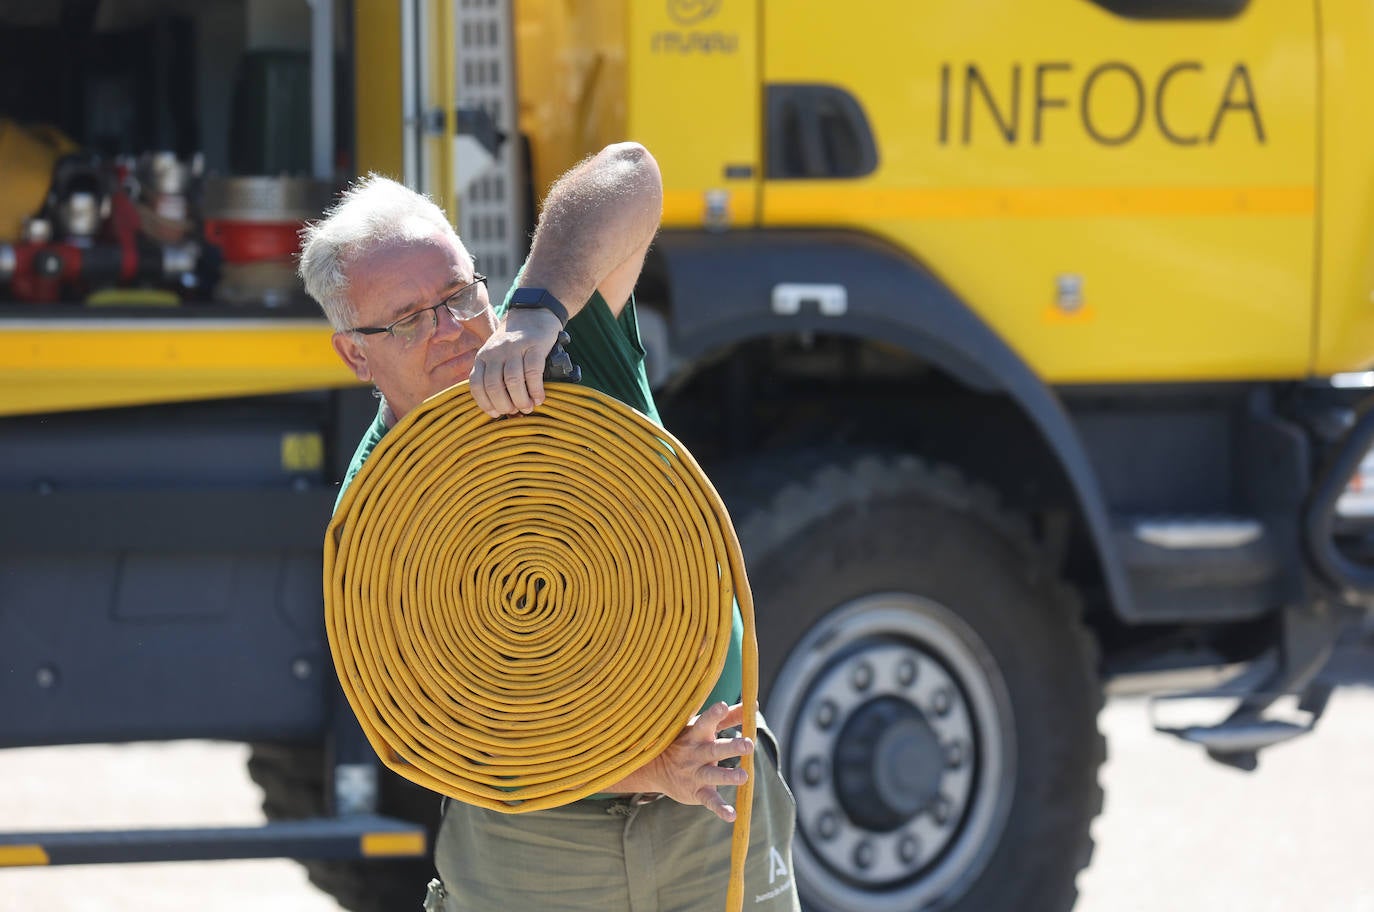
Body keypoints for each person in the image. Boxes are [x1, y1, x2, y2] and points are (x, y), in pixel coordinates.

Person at [299, 142, 799, 912]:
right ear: (353, 354)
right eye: (406, 320)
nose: (454, 329)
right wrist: (657, 770)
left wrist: (538, 309)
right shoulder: (377, 514)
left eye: (461, 294)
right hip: (534, 853)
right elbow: (439, 736)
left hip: (715, 814)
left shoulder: (569, 353)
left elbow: (631, 173)